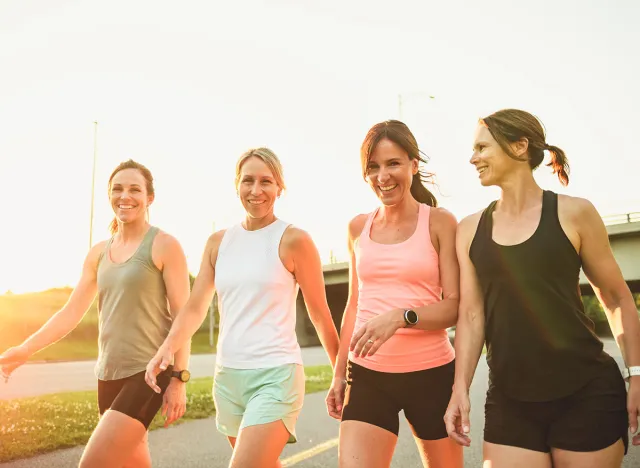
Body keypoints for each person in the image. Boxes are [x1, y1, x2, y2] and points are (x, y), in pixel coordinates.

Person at [444, 108, 640, 468]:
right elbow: (472, 315)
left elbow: (615, 298)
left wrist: (637, 375)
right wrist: (459, 389)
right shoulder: (469, 230)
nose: (473, 158)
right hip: (510, 398)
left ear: (519, 147)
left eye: (482, 148)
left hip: (586, 392)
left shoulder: (574, 213)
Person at [144, 147, 340, 468]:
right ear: (237, 184)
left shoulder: (294, 240)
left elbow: (319, 314)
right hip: (228, 380)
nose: (256, 190)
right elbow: (195, 308)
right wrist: (167, 348)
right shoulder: (218, 243)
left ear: (280, 188)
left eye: (266, 181)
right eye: (248, 180)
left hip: (276, 375)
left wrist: (339, 375)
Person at [0, 159, 192, 468]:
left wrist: (179, 378)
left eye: (134, 189)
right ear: (109, 195)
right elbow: (71, 312)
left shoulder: (164, 245)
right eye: (117, 189)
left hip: (149, 374)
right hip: (107, 375)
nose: (125, 196)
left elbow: (184, 317)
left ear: (149, 198)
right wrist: (26, 348)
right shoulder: (98, 253)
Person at [325, 120, 463, 468]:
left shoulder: (440, 223)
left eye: (393, 164)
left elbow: (455, 306)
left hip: (431, 374)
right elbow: (354, 305)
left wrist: (401, 317)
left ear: (414, 165)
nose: (382, 176)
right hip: (369, 376)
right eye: (373, 167)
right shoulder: (358, 227)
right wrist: (339, 374)